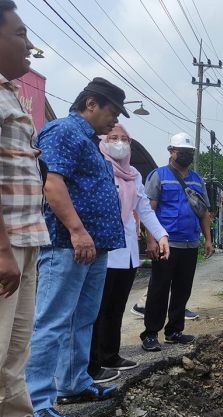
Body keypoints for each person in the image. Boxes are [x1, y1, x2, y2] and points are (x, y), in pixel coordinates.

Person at [25, 78, 129, 417]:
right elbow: (53, 184)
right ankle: (36, 400)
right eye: (112, 112)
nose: (114, 122)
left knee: (82, 318)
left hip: (93, 247)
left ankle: (73, 383)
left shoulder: (88, 140)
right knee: (52, 320)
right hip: (69, 245)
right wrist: (77, 230)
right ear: (90, 103)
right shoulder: (63, 132)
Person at [0, 3, 66, 417]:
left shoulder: (9, 93)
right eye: (21, 33)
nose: (29, 44)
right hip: (6, 244)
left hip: (26, 240)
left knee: (14, 350)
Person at [87, 124, 170, 384]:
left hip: (127, 253)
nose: (120, 143)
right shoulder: (98, 167)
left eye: (125, 139)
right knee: (96, 309)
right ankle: (92, 363)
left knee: (115, 307)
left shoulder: (133, 175)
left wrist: (161, 235)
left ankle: (110, 355)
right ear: (102, 140)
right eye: (113, 138)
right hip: (103, 250)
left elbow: (144, 209)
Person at [139, 132, 213, 352]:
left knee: (183, 289)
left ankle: (174, 331)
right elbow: (148, 210)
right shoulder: (158, 176)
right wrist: (150, 241)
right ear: (172, 151)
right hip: (166, 245)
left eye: (190, 152)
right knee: (159, 289)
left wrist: (207, 239)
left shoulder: (198, 180)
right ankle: (150, 333)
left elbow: (204, 213)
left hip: (190, 243)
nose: (186, 156)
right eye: (183, 152)